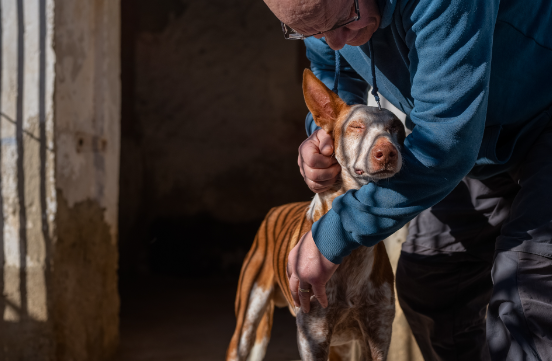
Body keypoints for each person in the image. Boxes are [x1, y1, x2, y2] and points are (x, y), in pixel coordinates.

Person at [262, 0, 552, 360]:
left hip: (533, 113)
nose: (333, 42)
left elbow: (444, 142)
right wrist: (328, 138)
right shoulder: (327, 16)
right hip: (477, 146)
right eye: (309, 32)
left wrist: (334, 233)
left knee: (530, 285)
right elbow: (333, 73)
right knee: (435, 284)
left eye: (343, 21)